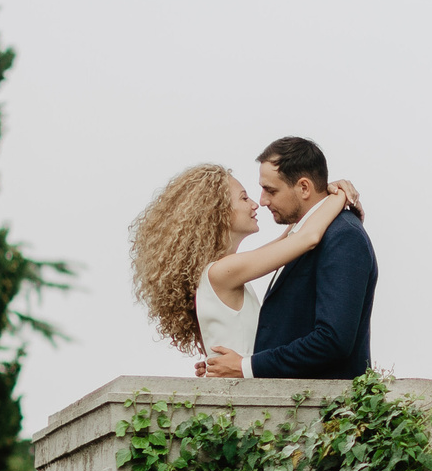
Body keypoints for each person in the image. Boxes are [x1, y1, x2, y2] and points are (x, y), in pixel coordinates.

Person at [127, 158, 359, 374]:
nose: (256, 204)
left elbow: (294, 235)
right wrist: (339, 196)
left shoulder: (222, 271)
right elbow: (307, 238)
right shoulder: (222, 272)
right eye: (244, 198)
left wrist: (319, 194)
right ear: (219, 212)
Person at [200, 136, 378, 381]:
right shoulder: (301, 238)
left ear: (304, 187)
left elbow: (332, 340)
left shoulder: (342, 235)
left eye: (270, 190)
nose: (261, 201)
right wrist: (336, 195)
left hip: (321, 409)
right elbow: (306, 235)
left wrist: (245, 366)